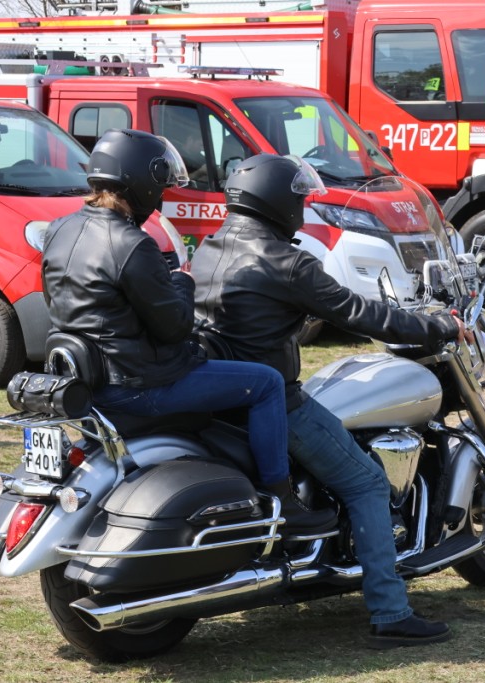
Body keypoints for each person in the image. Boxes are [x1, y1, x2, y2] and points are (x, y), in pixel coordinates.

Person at [192, 154, 466, 649]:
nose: (302, 207)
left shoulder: (211, 247)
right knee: (368, 483)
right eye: (298, 199)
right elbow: (357, 312)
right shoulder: (286, 262)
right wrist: (436, 325)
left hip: (219, 398)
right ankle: (391, 611)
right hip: (275, 401)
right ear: (277, 202)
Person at [40, 129, 335, 534]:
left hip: (92, 379)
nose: (161, 196)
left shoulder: (60, 229)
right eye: (159, 187)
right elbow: (176, 327)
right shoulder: (131, 243)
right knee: (266, 382)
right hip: (139, 384)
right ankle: (283, 499)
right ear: (141, 182)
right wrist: (181, 280)